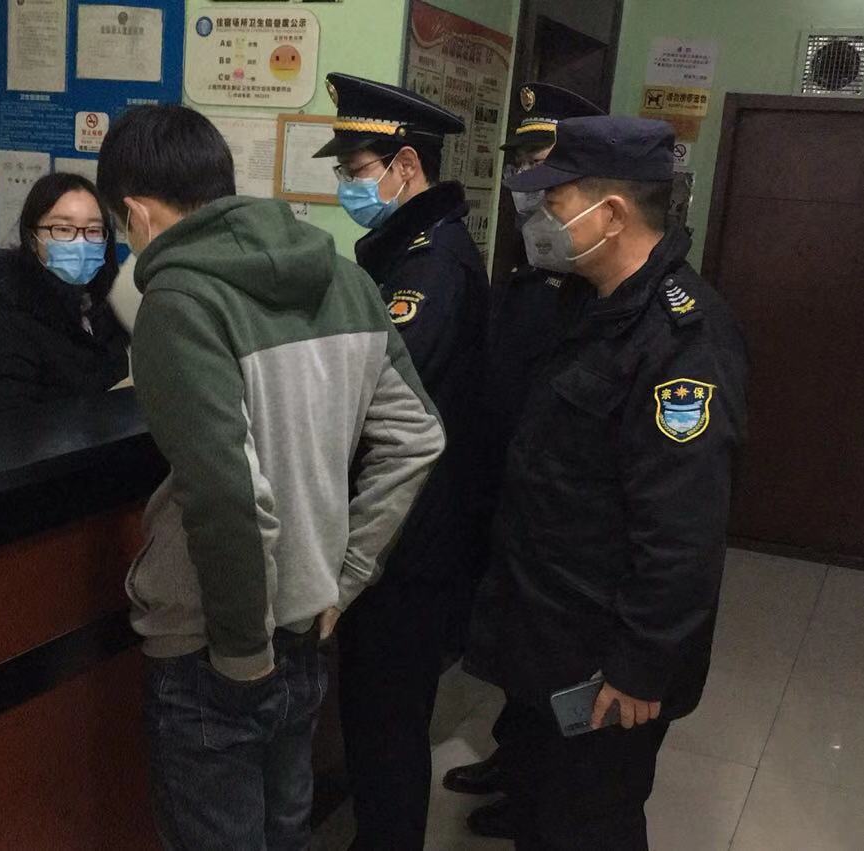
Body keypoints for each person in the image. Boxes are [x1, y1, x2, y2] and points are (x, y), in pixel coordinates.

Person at [96, 104, 446, 850]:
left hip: (214, 646)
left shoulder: (179, 303)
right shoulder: (346, 281)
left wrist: (240, 651)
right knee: (287, 834)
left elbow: (227, 492)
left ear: (136, 212)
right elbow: (417, 436)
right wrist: (348, 575)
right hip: (311, 625)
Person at [488, 115, 749, 848]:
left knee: (590, 823)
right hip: (552, 631)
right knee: (543, 813)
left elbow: (683, 532)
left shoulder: (683, 340)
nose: (543, 218)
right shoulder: (590, 303)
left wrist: (640, 666)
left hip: (606, 660)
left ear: (610, 213)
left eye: (556, 201)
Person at [311, 72, 488, 851]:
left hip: (410, 541)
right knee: (379, 718)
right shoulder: (409, 251)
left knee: (385, 723)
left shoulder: (429, 266)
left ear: (405, 165)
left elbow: (377, 389)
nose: (348, 187)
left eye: (356, 170)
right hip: (407, 531)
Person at [450, 82, 605, 841]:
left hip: (554, 517)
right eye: (522, 167)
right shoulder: (525, 277)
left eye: (544, 166)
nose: (528, 186)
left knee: (547, 658)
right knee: (515, 648)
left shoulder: (596, 293)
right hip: (505, 492)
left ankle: (532, 782)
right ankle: (512, 759)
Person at [0, 173, 129, 412]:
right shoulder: (3, 321)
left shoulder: (103, 306)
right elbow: (8, 423)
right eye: (63, 228)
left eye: (94, 230)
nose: (81, 241)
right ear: (32, 239)